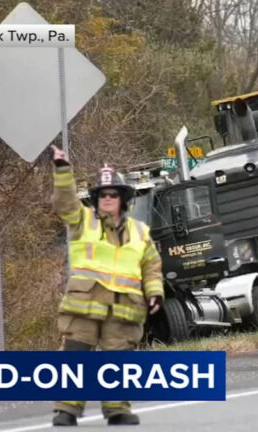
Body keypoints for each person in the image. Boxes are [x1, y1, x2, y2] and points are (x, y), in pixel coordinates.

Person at [49, 145, 164, 426]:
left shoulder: (139, 232)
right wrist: (63, 171)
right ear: (96, 199)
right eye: (102, 195)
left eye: (113, 194)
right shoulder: (83, 221)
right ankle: (66, 410)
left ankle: (117, 409)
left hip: (123, 308)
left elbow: (151, 266)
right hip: (85, 304)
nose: (108, 199)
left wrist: (155, 292)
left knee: (119, 358)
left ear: (123, 199)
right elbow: (64, 204)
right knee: (76, 355)